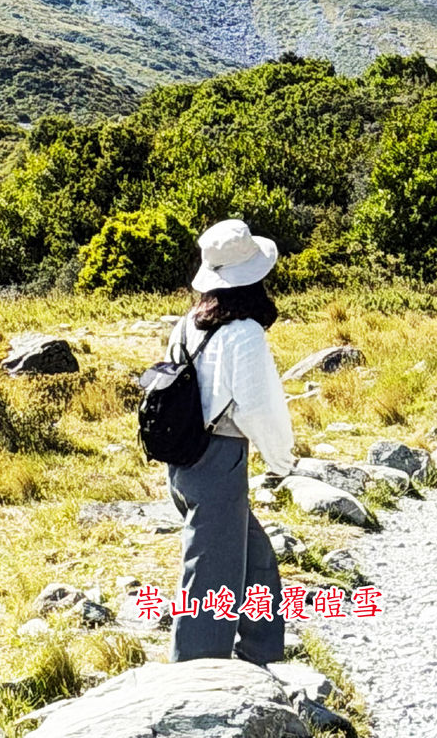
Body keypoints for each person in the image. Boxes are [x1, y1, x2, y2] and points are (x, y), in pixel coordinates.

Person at [165, 218, 294, 666]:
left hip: (182, 459)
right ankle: (199, 674)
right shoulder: (245, 334)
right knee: (210, 577)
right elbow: (256, 408)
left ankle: (263, 651)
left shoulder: (188, 324)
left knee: (253, 557)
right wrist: (282, 460)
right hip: (219, 459)